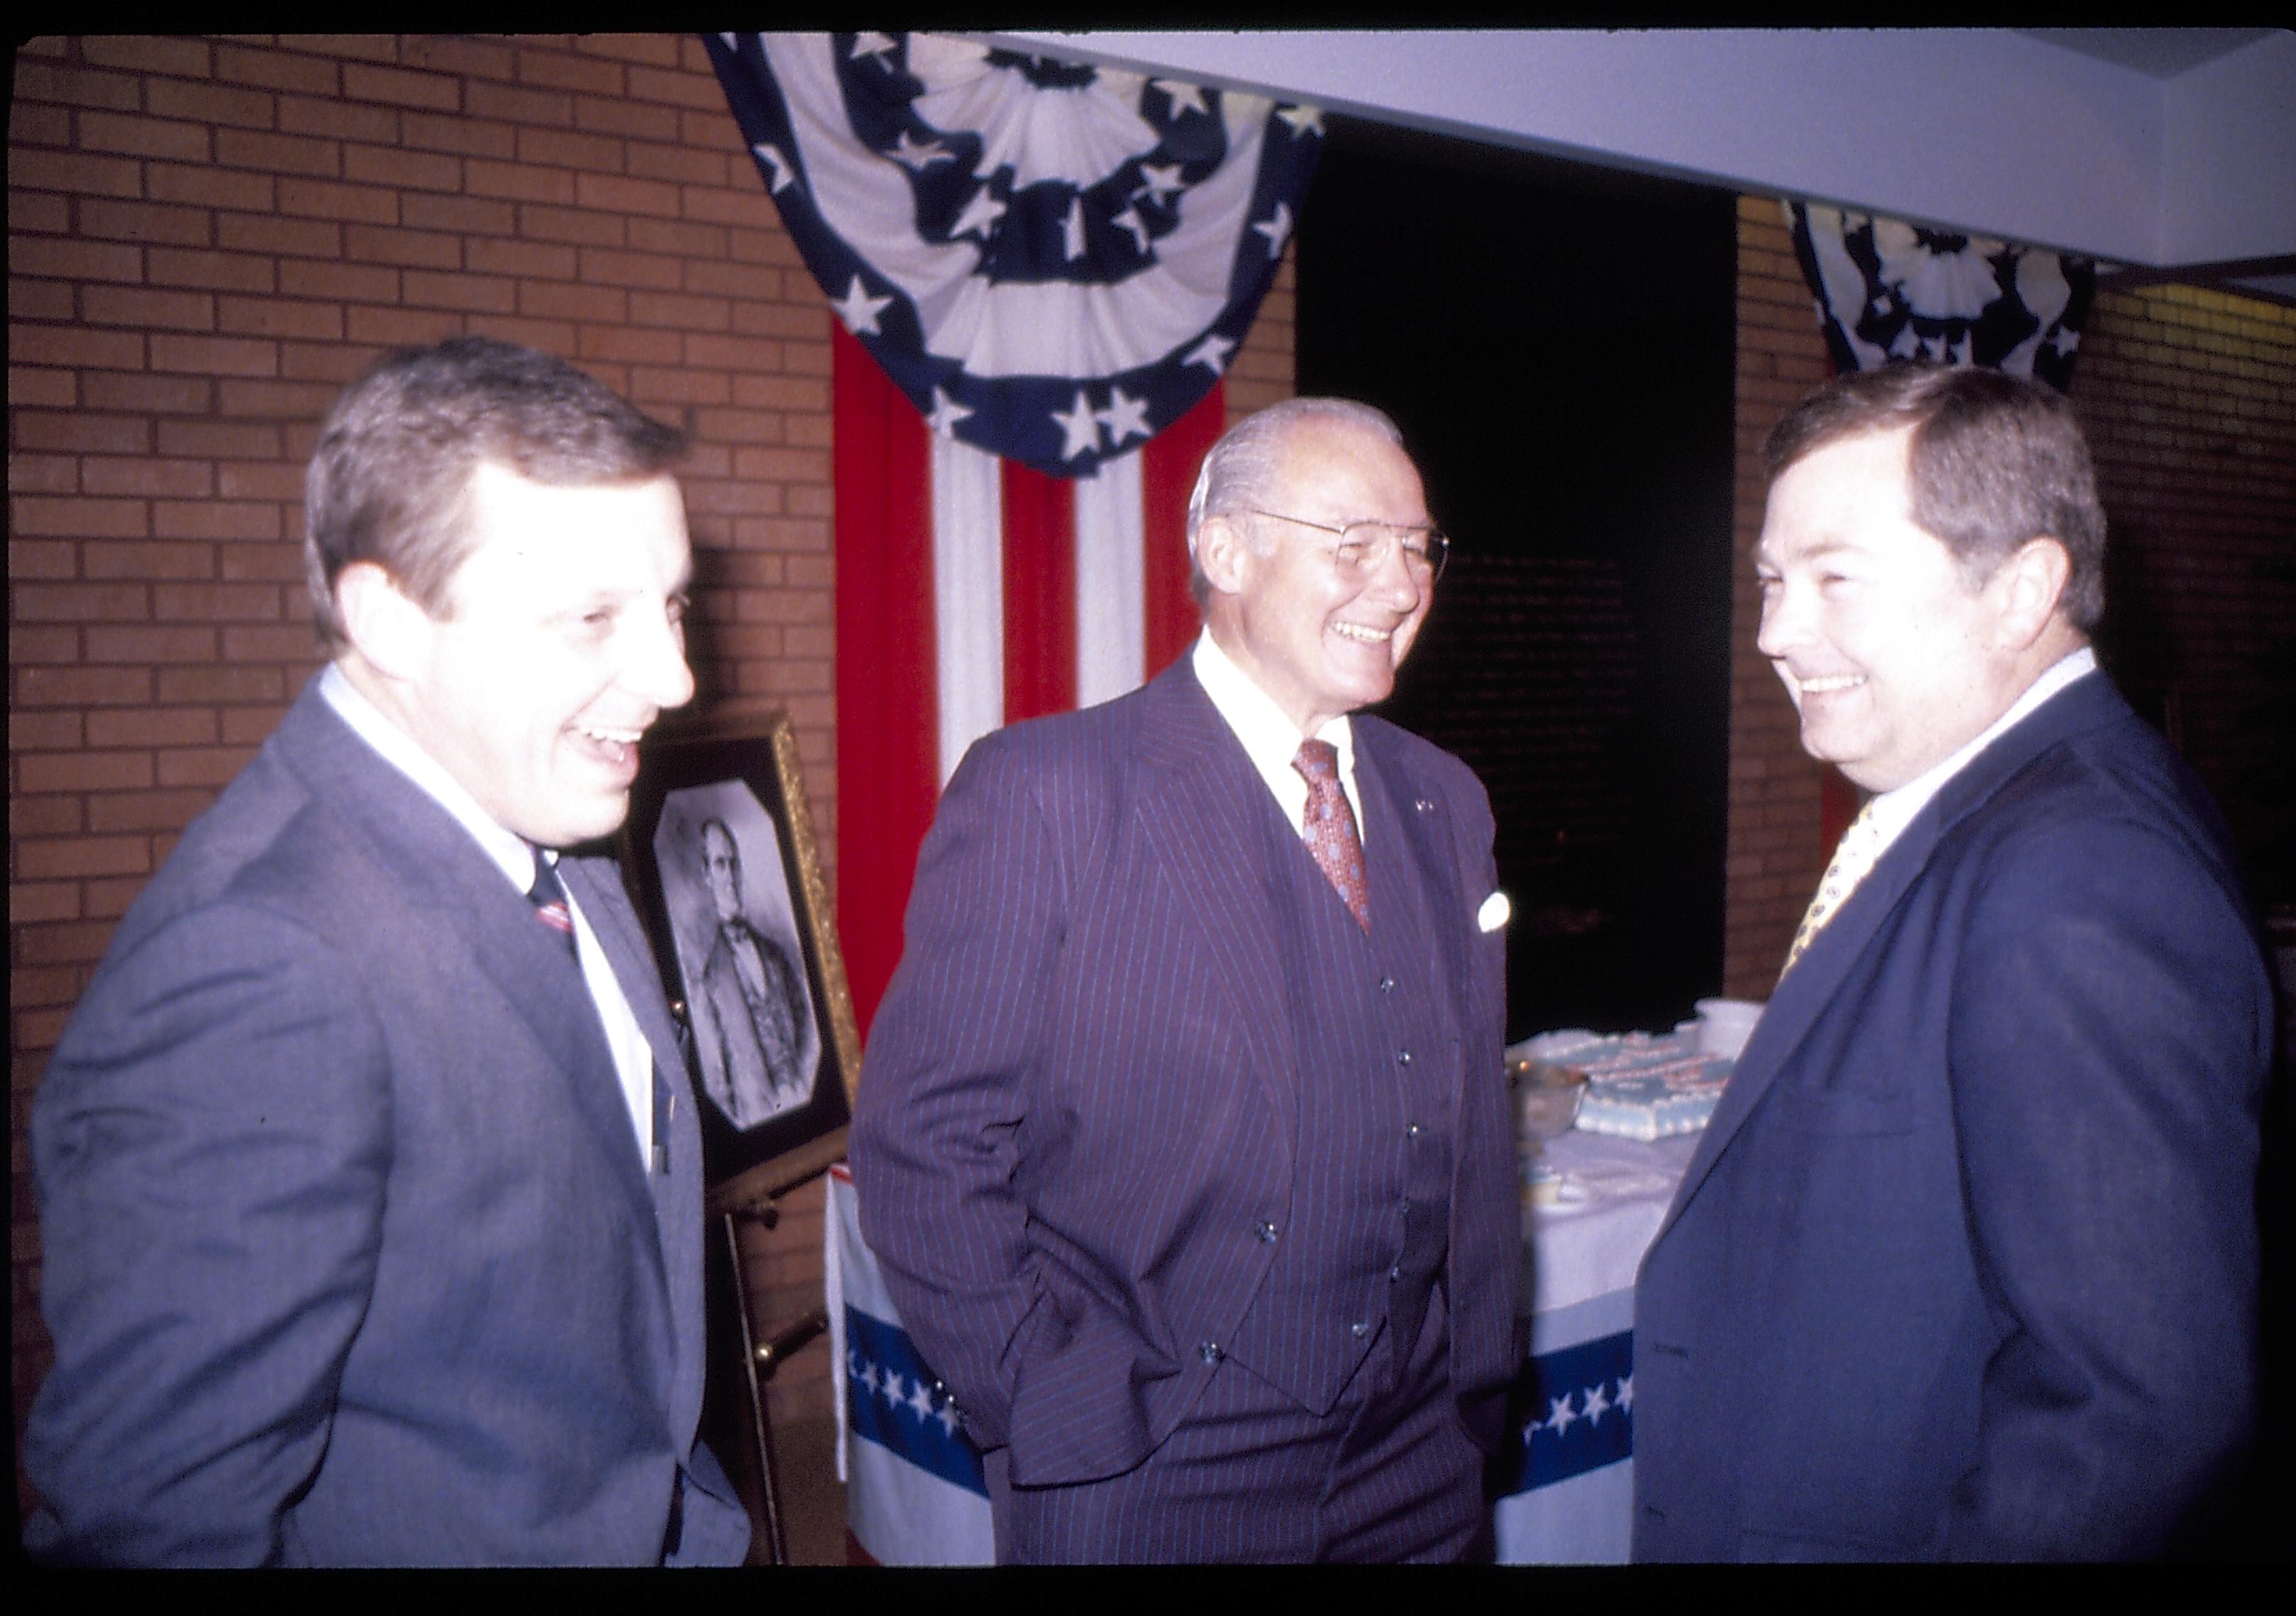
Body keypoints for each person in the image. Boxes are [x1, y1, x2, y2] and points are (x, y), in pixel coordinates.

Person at [23, 337, 754, 1566]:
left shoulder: (549, 823)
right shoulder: (258, 965)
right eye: (594, 618)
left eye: (671, 607)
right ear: (388, 620)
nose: (675, 678)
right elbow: (157, 1528)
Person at [850, 398, 1520, 1562]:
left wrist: (1470, 1382)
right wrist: (1046, 1393)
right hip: (1159, 1450)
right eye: (1354, 542)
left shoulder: (1444, 801)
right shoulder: (1049, 791)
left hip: (1418, 1448)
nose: (1403, 582)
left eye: (1418, 547)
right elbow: (925, 1143)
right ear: (1224, 549)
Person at [1633, 364, 2272, 1561]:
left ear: (2022, 587)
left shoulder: (2083, 870)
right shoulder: (1981, 810)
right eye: (1774, 582)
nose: (1775, 632)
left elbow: (2133, 1412)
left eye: (1835, 580)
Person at [692, 816, 810, 1126]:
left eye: (734, 864)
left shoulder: (775, 954)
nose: (730, 877)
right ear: (706, 874)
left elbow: (807, 1022)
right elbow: (718, 1090)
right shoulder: (708, 984)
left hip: (806, 1102)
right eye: (720, 865)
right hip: (760, 1125)